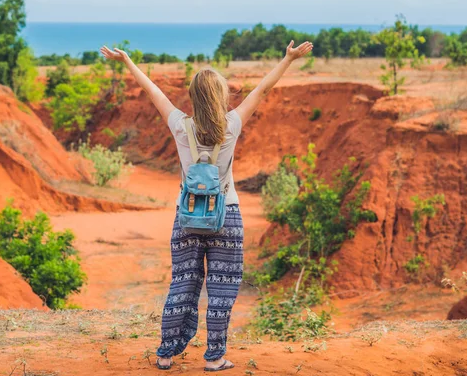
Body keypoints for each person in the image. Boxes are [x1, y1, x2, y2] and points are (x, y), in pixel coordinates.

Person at [100, 40, 314, 372]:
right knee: (222, 288)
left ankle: (165, 354)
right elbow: (263, 89)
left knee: (183, 282)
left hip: (186, 217)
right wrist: (288, 59)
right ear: (221, 96)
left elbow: (153, 92)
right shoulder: (232, 125)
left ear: (193, 96)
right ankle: (214, 358)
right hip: (226, 213)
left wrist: (127, 61)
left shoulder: (180, 126)